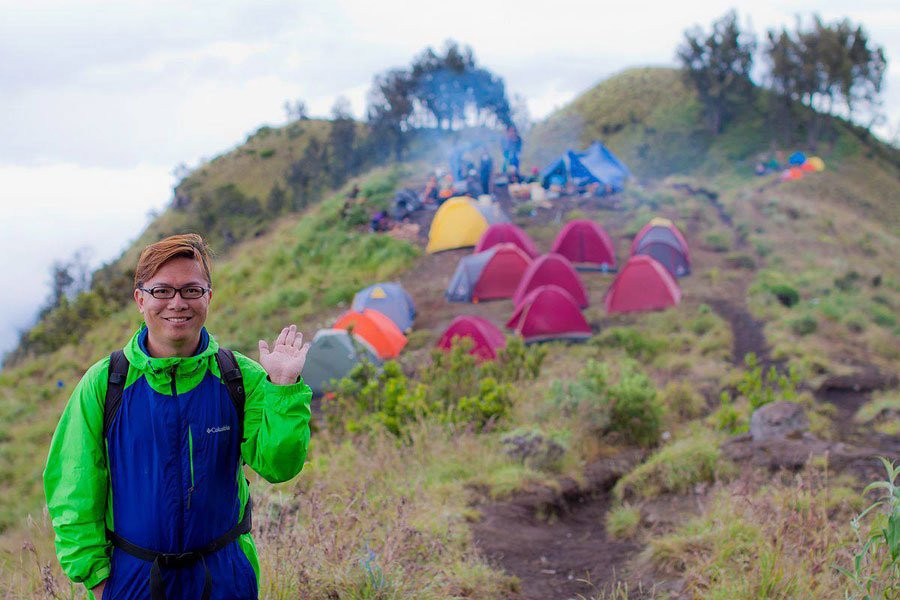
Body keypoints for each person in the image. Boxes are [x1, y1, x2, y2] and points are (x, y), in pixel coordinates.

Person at [44, 234, 312, 600]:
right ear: (140, 299)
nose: (177, 303)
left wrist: (283, 388)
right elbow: (72, 485)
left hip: (224, 577)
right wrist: (96, 576)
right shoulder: (106, 382)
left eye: (191, 290)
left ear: (208, 297)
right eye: (162, 291)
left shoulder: (239, 377)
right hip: (133, 579)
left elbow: (278, 467)